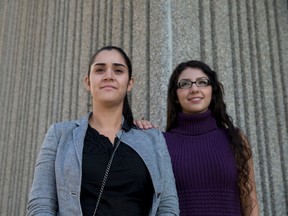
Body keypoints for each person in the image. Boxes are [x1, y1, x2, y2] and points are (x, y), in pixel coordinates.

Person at [27, 46, 179, 216]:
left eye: (118, 70)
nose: (108, 76)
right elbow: (41, 204)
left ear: (130, 83)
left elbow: (168, 205)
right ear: (87, 82)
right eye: (100, 70)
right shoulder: (60, 135)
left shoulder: (152, 138)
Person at [135, 60, 259, 215]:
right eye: (185, 84)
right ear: (175, 95)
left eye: (202, 82)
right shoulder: (160, 143)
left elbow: (249, 200)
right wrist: (135, 131)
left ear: (212, 91)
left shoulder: (235, 138)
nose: (194, 89)